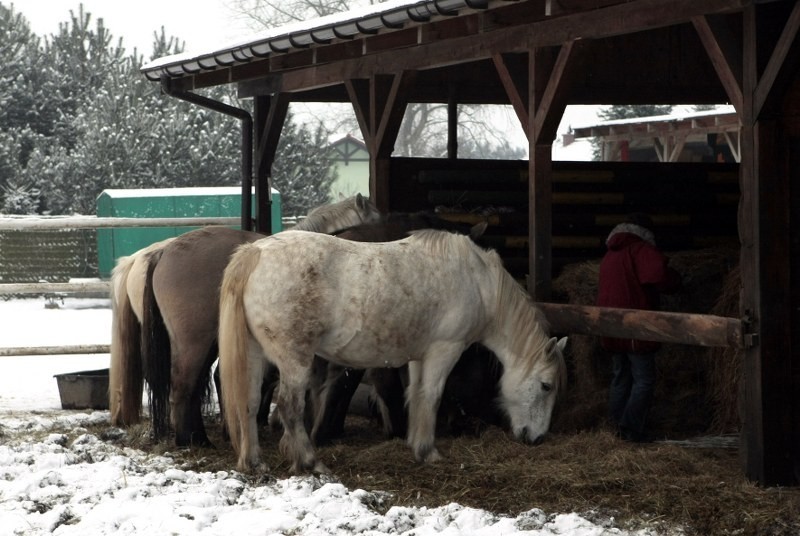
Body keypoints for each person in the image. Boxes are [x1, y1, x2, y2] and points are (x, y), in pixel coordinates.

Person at [597, 212, 681, 443]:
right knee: (644, 379)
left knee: (620, 377)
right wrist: (677, 282)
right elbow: (659, 275)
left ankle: (614, 428)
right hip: (635, 328)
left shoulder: (611, 254)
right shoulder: (640, 250)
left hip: (613, 328)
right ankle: (630, 430)